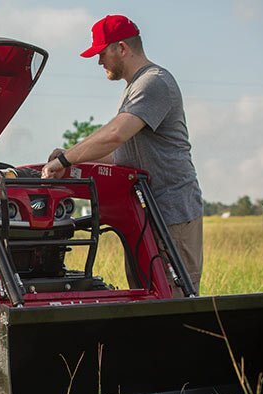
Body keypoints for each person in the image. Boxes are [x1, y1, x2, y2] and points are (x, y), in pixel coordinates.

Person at [41, 14, 203, 297]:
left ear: (122, 48)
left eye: (102, 53)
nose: (99, 62)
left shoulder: (154, 83)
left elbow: (115, 134)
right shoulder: (133, 88)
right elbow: (121, 153)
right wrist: (71, 156)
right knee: (147, 297)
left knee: (174, 299)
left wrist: (65, 160)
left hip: (171, 214)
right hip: (147, 215)